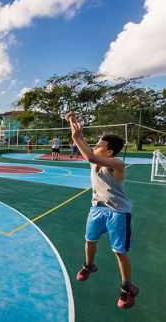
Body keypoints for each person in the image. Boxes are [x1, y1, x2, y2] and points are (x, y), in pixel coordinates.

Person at [66, 112, 139, 309]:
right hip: (97, 209)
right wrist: (72, 122)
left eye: (99, 146)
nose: (95, 147)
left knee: (119, 251)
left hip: (118, 213)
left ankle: (127, 288)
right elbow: (82, 141)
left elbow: (87, 151)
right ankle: (89, 265)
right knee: (90, 241)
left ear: (110, 153)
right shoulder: (96, 160)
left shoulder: (117, 164)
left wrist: (75, 138)